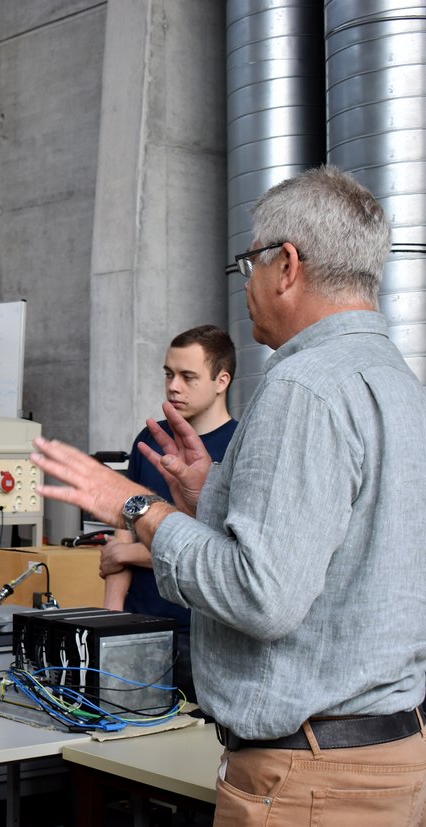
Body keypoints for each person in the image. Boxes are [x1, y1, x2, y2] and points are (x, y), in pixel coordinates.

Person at [31, 166, 426, 824]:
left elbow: (261, 595)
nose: (247, 282)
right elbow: (343, 550)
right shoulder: (397, 382)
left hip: (308, 778)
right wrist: (211, 496)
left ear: (288, 265)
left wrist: (136, 505)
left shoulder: (302, 386)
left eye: (251, 261)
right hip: (392, 755)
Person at [101, 324, 237, 695]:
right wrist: (111, 618)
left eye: (187, 376)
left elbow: (220, 550)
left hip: (200, 635)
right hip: (137, 625)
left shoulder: (240, 448)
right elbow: (122, 531)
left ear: (221, 380)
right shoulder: (149, 440)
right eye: (168, 374)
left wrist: (128, 552)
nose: (173, 386)